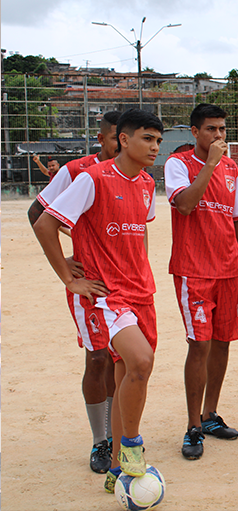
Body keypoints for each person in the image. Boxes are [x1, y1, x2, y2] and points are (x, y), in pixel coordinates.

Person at [32, 108, 163, 492]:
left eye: (158, 140)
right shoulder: (92, 178)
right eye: (147, 139)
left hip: (141, 291)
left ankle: (118, 468)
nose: (155, 147)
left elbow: (139, 235)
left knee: (127, 375)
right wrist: (69, 278)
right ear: (123, 139)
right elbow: (44, 223)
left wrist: (140, 271)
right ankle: (132, 447)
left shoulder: (146, 183)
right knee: (140, 360)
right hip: (106, 294)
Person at [27, 110, 121, 473]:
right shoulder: (77, 172)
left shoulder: (138, 178)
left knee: (121, 358)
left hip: (122, 283)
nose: (120, 145)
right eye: (114, 138)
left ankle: (116, 433)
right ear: (102, 139)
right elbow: (39, 214)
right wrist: (67, 269)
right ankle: (100, 440)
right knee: (97, 358)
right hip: (90, 283)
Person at [164, 103, 238, 460]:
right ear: (195, 132)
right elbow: (185, 205)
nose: (218, 135)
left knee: (222, 342)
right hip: (194, 270)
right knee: (198, 345)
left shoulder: (232, 168)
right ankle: (192, 427)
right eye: (211, 129)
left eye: (222, 129)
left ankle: (210, 414)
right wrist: (211, 164)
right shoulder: (178, 164)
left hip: (229, 269)